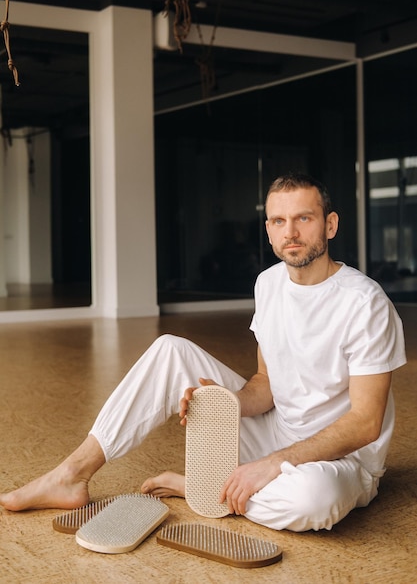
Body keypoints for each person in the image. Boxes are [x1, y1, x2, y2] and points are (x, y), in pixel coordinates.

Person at [0, 173, 406, 532]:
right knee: (169, 350)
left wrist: (272, 464)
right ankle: (73, 474)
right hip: (277, 433)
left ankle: (203, 489)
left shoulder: (364, 302)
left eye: (304, 218)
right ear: (268, 231)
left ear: (330, 225)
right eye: (280, 221)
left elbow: (365, 424)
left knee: (314, 501)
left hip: (339, 461)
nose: (291, 232)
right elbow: (267, 382)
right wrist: (229, 402)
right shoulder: (268, 283)